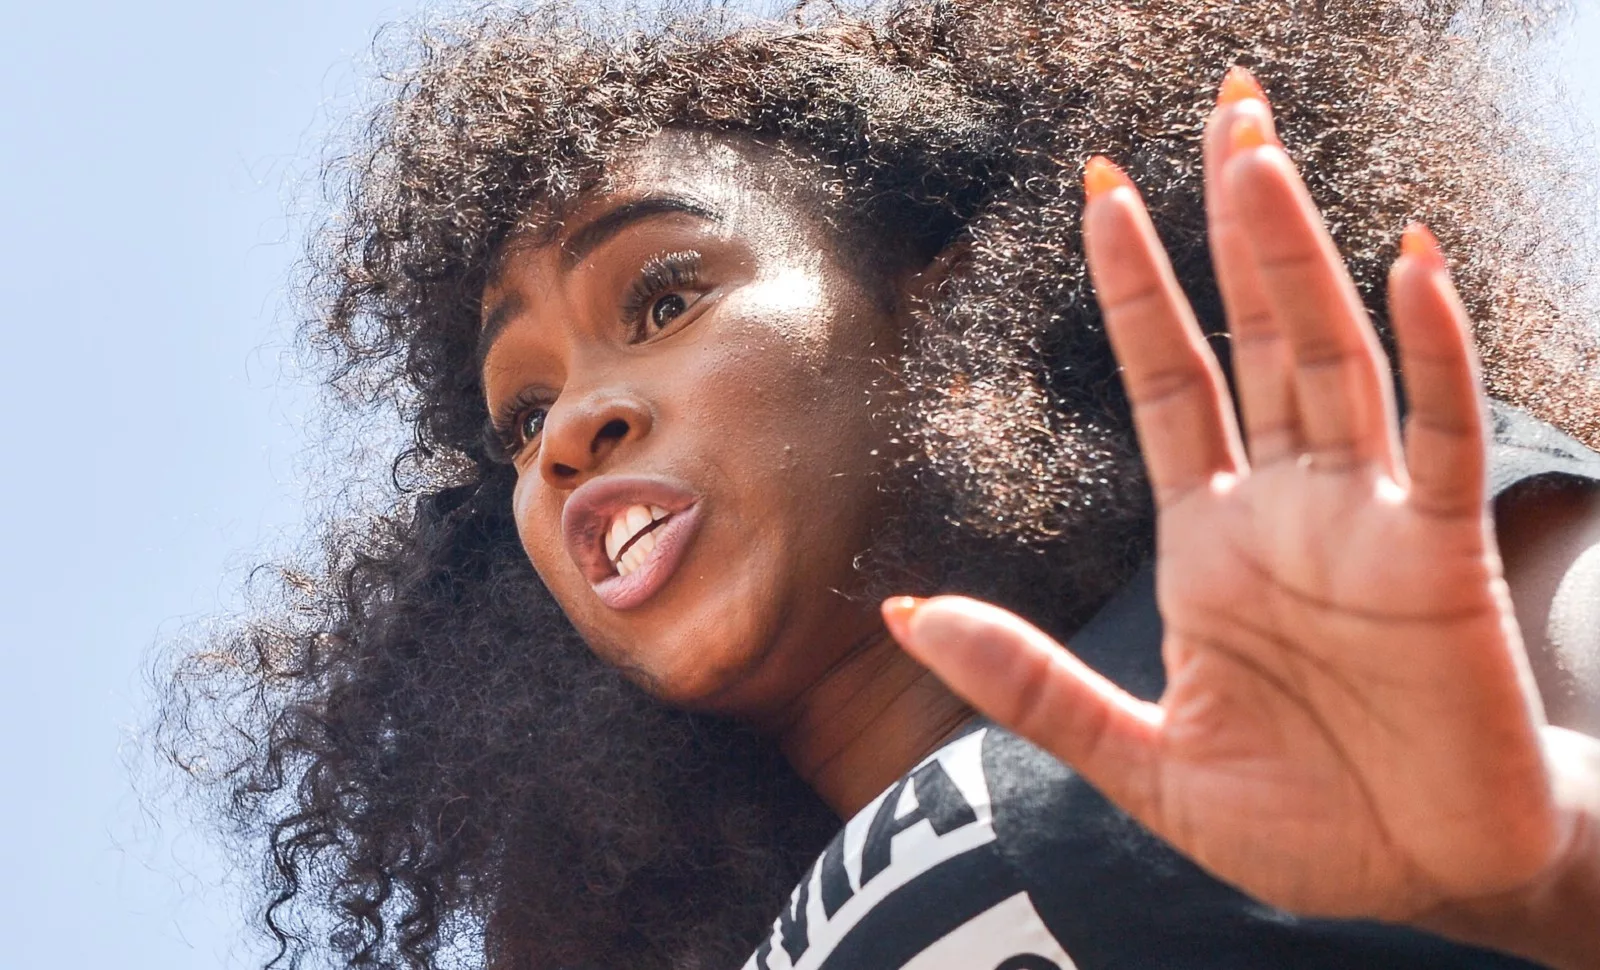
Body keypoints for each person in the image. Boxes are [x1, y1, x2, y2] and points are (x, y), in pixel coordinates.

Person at [158, 0, 1600, 967]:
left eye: (664, 297)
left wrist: (1548, 863)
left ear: (931, 297)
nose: (569, 433)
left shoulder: (1336, 577)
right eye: (520, 416)